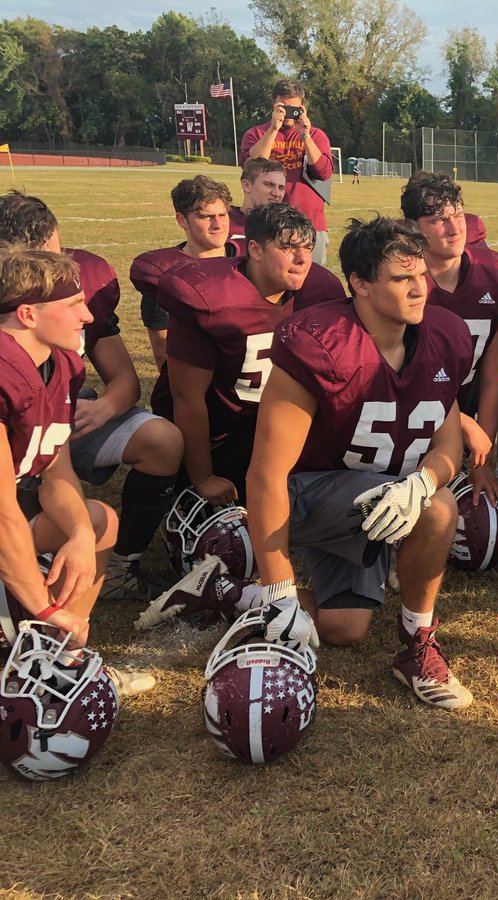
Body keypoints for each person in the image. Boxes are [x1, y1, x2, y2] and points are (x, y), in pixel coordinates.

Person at [245, 216, 474, 708]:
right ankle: (418, 645)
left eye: (421, 275)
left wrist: (422, 481)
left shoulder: (445, 335)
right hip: (309, 496)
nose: (419, 290)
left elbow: (448, 440)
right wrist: (281, 589)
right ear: (361, 285)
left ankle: (225, 592)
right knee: (438, 510)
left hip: (379, 500)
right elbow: (267, 471)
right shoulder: (320, 340)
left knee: (343, 628)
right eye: (401, 279)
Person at [0, 191, 184, 602]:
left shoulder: (60, 357)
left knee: (97, 516)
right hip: (16, 451)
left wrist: (103, 408)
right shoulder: (10, 363)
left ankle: (115, 571)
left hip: (55, 427)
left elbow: (123, 380)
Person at [0, 246, 153, 695]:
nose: (87, 317)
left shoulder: (59, 362)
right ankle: (36, 647)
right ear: (28, 314)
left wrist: (82, 535)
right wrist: (45, 610)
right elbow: (3, 515)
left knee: (98, 522)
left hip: (14, 503)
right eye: (72, 305)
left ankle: (61, 659)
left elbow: (57, 470)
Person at [151, 203, 345, 506]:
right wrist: (203, 476)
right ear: (254, 249)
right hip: (220, 432)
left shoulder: (321, 290)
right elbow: (187, 397)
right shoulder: (209, 296)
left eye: (308, 247)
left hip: (275, 422)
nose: (302, 259)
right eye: (289, 247)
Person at [401, 172, 498, 513]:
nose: (455, 229)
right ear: (413, 227)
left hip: (464, 388)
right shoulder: (399, 279)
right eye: (438, 220)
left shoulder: (496, 275)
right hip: (408, 399)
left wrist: (483, 460)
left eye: (457, 215)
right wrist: (461, 423)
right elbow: (395, 374)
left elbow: (492, 374)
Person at [131, 176, 239, 369]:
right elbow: (162, 351)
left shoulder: (246, 259)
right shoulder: (166, 274)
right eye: (207, 217)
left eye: (223, 215)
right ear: (182, 220)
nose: (218, 224)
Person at [240, 79, 334, 266]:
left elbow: (324, 172)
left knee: (311, 282)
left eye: (295, 108)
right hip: (267, 223)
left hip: (310, 222)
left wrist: (305, 135)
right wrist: (273, 129)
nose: (289, 113)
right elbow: (251, 167)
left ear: (303, 107)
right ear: (273, 104)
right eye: (283, 107)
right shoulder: (256, 134)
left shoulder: (316, 135)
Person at [228, 158, 287, 251]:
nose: (276, 193)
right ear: (246, 185)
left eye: (281, 188)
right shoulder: (222, 223)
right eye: (269, 185)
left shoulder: (285, 229)